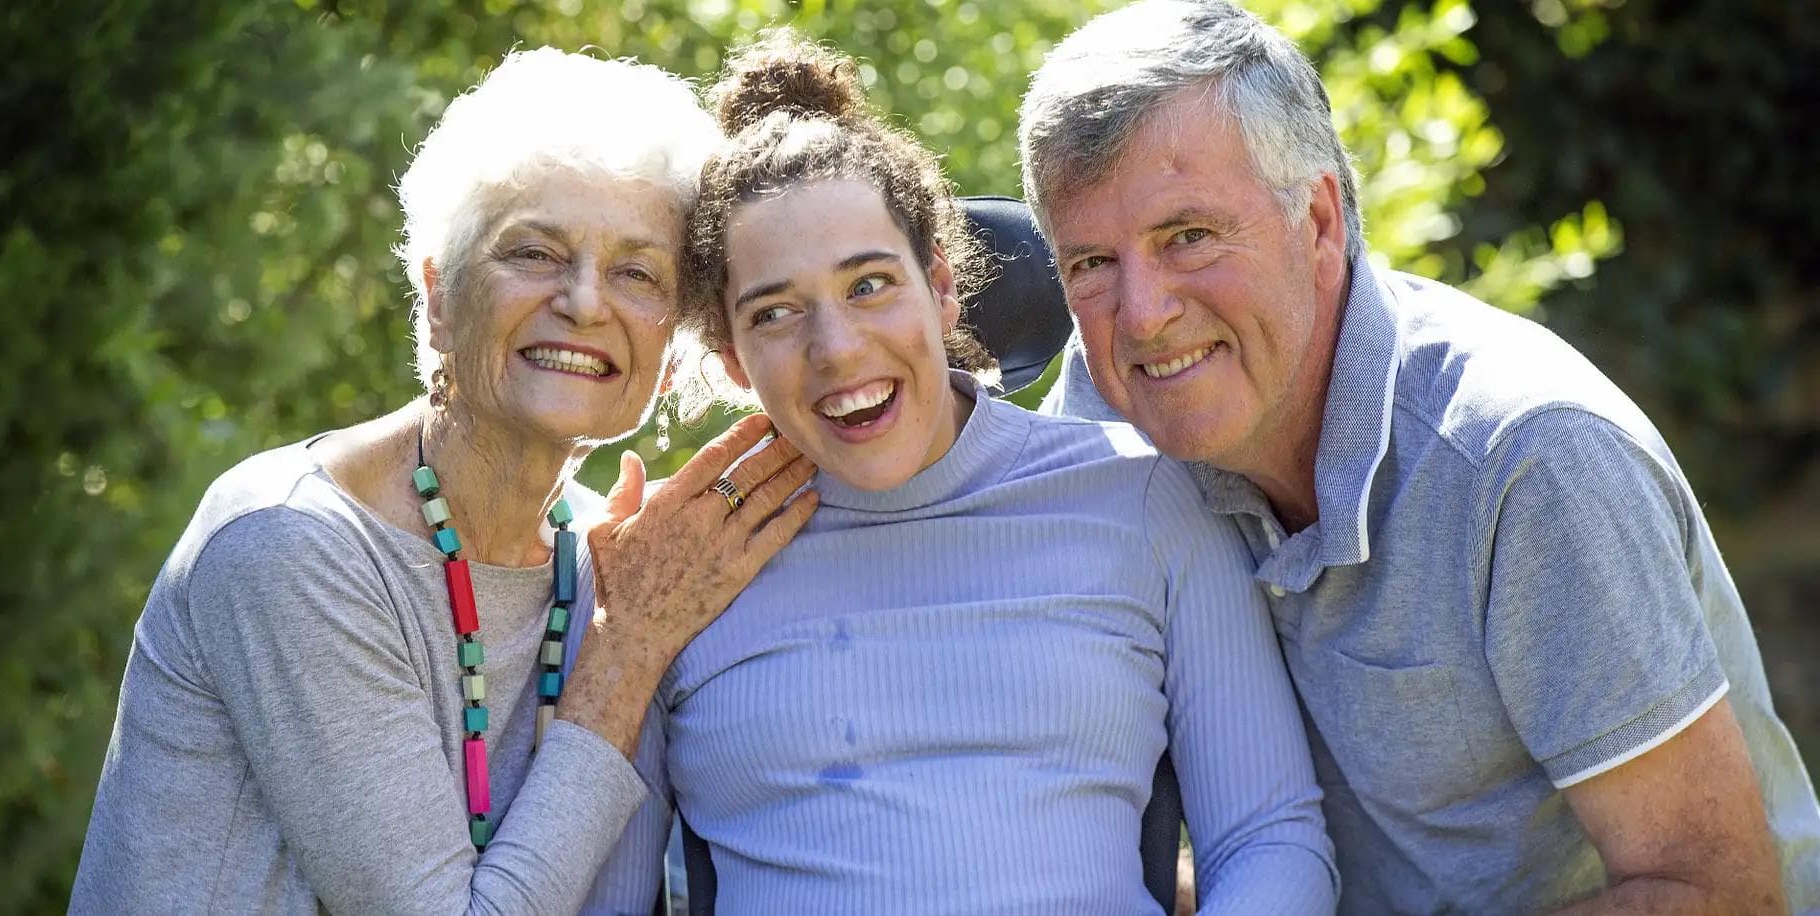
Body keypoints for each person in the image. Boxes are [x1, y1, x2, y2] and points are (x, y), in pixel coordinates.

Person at [1022, 1, 1820, 912]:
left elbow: (1715, 892)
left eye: (1189, 237)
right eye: (1090, 262)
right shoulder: (1115, 407)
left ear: (1318, 221)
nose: (1141, 313)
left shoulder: (1526, 460)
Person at [588, 30, 1338, 914]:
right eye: (778, 312)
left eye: (870, 285)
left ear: (941, 288)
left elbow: (1269, 840)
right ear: (733, 357)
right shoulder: (677, 571)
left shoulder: (1144, 500)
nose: (837, 350)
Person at [70, 48, 819, 914]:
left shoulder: (607, 556)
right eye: (533, 253)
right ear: (438, 295)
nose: (583, 302)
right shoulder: (290, 544)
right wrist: (627, 654)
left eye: (635, 272)